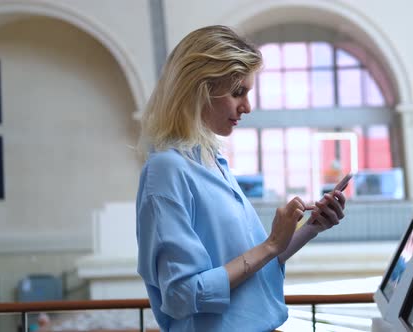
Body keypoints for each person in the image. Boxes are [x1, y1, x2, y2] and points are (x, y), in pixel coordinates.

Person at [135, 25, 347, 332]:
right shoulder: (167, 170)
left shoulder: (213, 161)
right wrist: (272, 243)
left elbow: (251, 271)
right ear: (200, 88)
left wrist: (311, 227)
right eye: (238, 93)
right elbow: (182, 295)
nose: (247, 107)